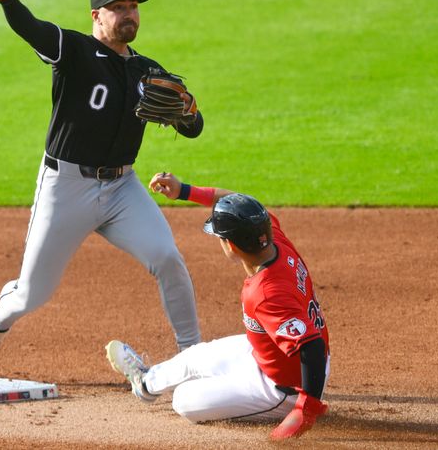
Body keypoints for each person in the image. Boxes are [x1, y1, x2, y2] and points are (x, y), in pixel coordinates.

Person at [0, 0, 204, 376]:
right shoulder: (72, 49)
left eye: (133, 8)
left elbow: (193, 128)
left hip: (123, 188)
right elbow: (30, 27)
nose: (129, 15)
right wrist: (6, 0)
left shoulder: (148, 70)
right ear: (96, 16)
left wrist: (188, 113)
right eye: (118, 8)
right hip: (66, 187)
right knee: (33, 294)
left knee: (167, 257)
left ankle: (192, 354)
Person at [105, 172, 330, 440]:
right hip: (271, 352)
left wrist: (307, 407)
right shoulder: (272, 237)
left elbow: (311, 346)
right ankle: (145, 382)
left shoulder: (266, 293)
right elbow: (237, 202)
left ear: (231, 246)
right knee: (193, 358)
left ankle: (259, 399)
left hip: (283, 388)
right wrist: (185, 191)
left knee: (184, 400)